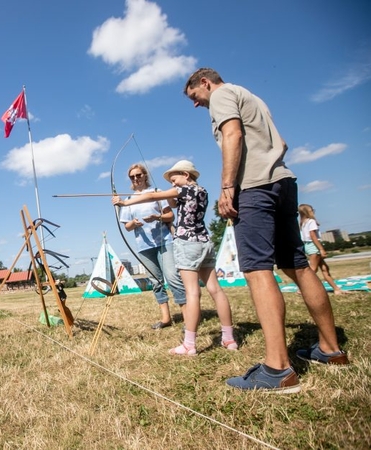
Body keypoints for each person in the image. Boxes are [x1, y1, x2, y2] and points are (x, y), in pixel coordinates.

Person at [183, 68, 349, 393]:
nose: (196, 104)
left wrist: (228, 186)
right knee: (298, 265)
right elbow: (281, 141)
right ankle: (331, 349)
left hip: (255, 187)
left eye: (194, 97)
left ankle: (277, 369)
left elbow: (233, 135)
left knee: (258, 270)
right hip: (283, 182)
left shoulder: (220, 95)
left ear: (204, 83)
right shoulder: (252, 97)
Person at [113, 160, 237, 355]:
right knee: (216, 290)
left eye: (174, 179)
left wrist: (125, 202)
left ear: (186, 175)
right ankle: (229, 338)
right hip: (204, 240)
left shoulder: (183, 190)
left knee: (192, 293)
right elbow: (173, 204)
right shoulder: (202, 190)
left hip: (188, 243)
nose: (173, 184)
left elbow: (153, 196)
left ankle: (189, 344)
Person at [116, 163, 187, 329]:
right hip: (144, 246)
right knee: (155, 281)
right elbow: (126, 227)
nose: (136, 178)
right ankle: (165, 318)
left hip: (164, 241)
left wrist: (157, 217)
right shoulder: (128, 199)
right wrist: (133, 223)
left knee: (173, 278)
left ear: (145, 175)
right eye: (132, 176)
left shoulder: (157, 192)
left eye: (138, 175)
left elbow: (170, 215)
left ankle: (187, 317)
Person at [298, 204, 343, 295]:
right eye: (311, 210)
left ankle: (336, 289)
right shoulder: (311, 221)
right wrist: (321, 249)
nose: (313, 211)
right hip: (313, 246)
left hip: (308, 246)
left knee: (325, 268)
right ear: (307, 212)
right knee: (312, 270)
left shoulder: (303, 223)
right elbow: (313, 236)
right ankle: (301, 289)